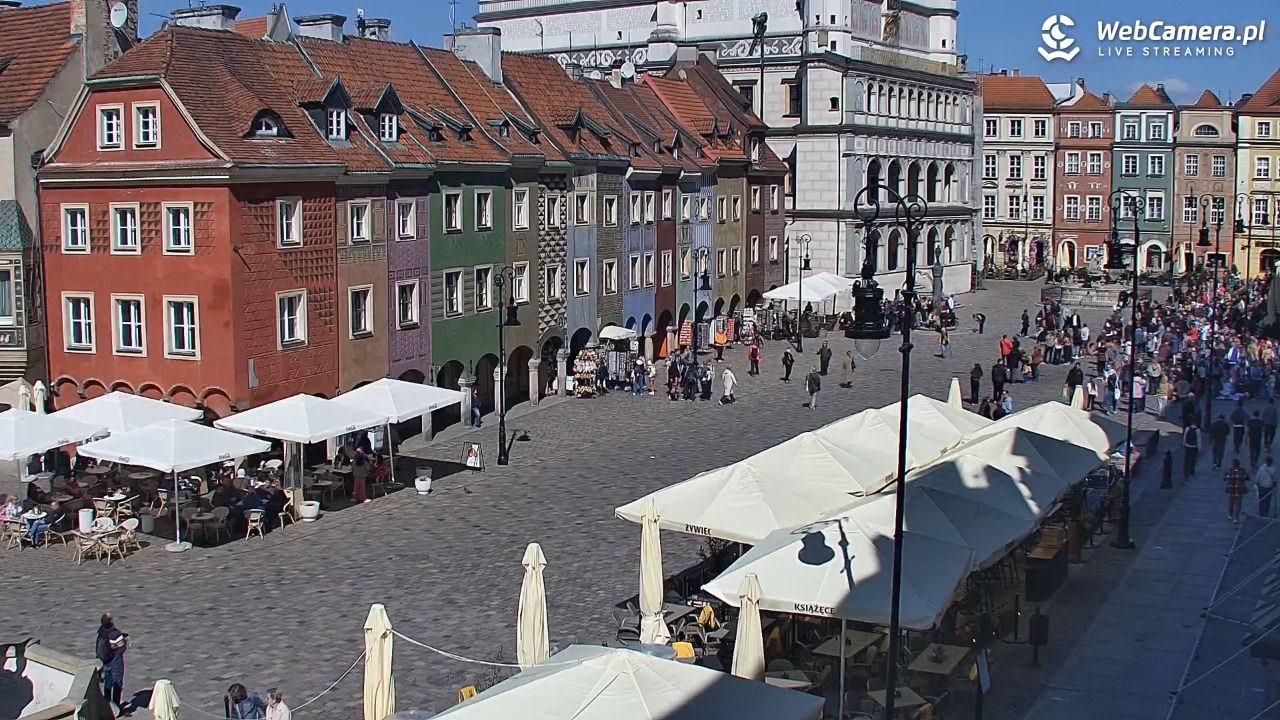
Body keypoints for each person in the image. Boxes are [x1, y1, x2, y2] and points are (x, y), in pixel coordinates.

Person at [96, 614, 126, 711]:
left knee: (108, 683)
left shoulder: (101, 631)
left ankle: (107, 704)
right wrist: (123, 640)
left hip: (106, 661)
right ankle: (116, 708)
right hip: (116, 662)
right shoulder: (116, 634)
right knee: (117, 684)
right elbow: (122, 648)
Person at [1225, 459, 1249, 525]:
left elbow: (1225, 478)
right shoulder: (1242, 470)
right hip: (1239, 489)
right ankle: (1236, 519)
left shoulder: (1228, 470)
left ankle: (1230, 515)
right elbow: (1247, 478)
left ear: (1232, 464)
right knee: (1238, 505)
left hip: (1231, 489)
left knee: (1230, 502)